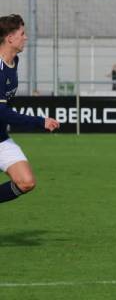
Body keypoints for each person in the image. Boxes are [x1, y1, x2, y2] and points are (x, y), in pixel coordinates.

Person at [0, 14, 60, 204]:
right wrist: (40, 121)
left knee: (26, 182)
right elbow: (2, 112)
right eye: (22, 34)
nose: (26, 38)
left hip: (0, 137)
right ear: (10, 38)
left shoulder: (14, 61)